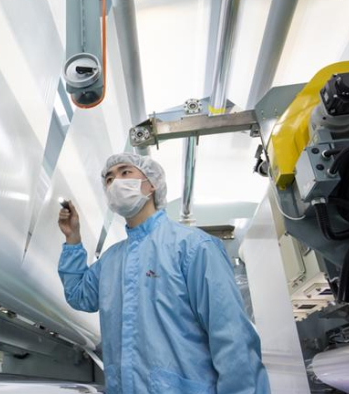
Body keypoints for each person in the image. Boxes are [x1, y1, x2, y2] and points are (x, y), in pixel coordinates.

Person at [58, 153, 270, 394]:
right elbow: (79, 296)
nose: (115, 182)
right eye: (108, 179)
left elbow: (233, 340)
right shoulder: (111, 260)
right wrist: (72, 239)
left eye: (125, 172)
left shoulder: (193, 247)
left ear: (152, 184)